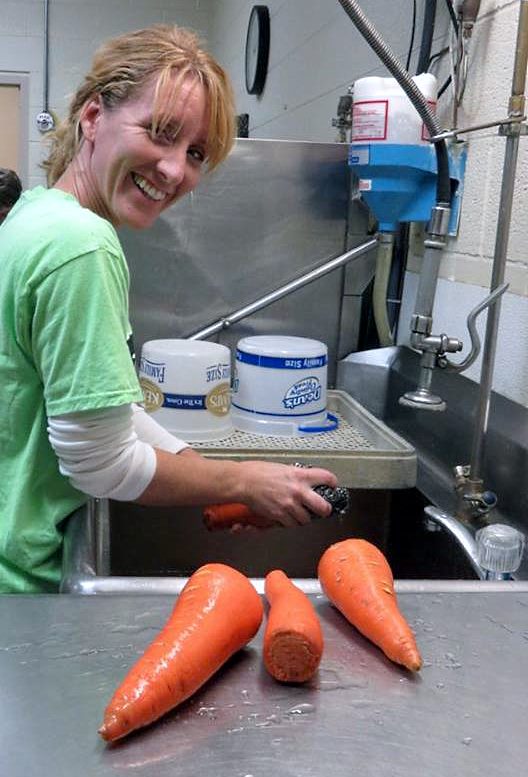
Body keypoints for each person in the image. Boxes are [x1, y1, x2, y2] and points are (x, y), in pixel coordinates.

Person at [0, 25, 337, 594]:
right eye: (160, 133)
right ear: (91, 118)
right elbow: (99, 461)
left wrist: (217, 476)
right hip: (19, 590)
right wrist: (241, 482)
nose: (175, 170)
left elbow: (102, 411)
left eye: (196, 153)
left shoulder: (34, 215)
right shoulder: (81, 247)